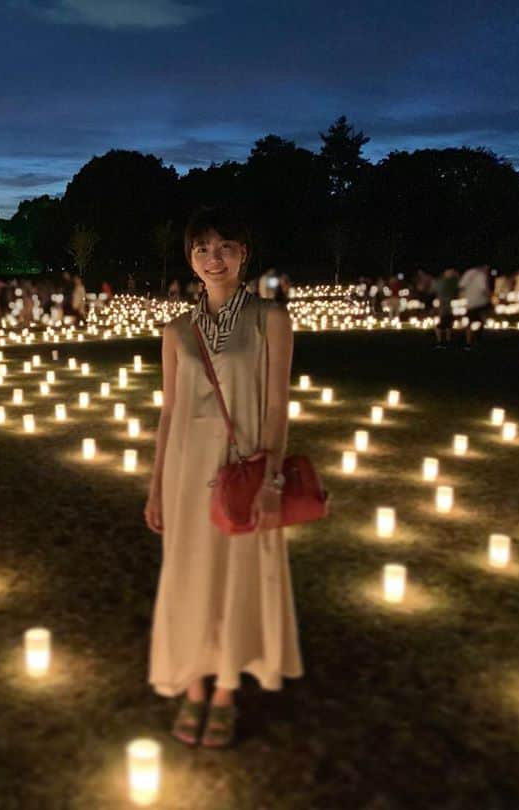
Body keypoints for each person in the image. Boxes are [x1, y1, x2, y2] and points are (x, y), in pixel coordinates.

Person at [144, 207, 302, 749]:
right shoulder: (176, 330)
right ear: (190, 259)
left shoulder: (269, 320)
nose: (214, 259)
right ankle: (193, 682)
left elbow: (279, 406)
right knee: (188, 572)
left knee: (236, 574)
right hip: (188, 469)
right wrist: (156, 482)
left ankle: (227, 688)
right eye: (202, 249)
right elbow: (168, 412)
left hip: (245, 466)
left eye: (224, 247)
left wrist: (272, 479)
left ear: (243, 254)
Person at [458, 264, 491, 349]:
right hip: (480, 302)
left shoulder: (468, 273)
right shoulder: (481, 275)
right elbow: (483, 289)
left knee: (470, 321)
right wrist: (490, 297)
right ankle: (477, 340)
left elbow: (461, 286)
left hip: (470, 302)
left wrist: (464, 296)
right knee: (481, 320)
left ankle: (468, 341)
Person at [434, 268, 459, 348]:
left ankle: (446, 340)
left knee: (448, 323)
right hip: (444, 304)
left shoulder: (452, 281)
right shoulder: (443, 282)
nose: (451, 273)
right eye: (450, 272)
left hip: (449, 305)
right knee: (443, 322)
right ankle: (440, 340)